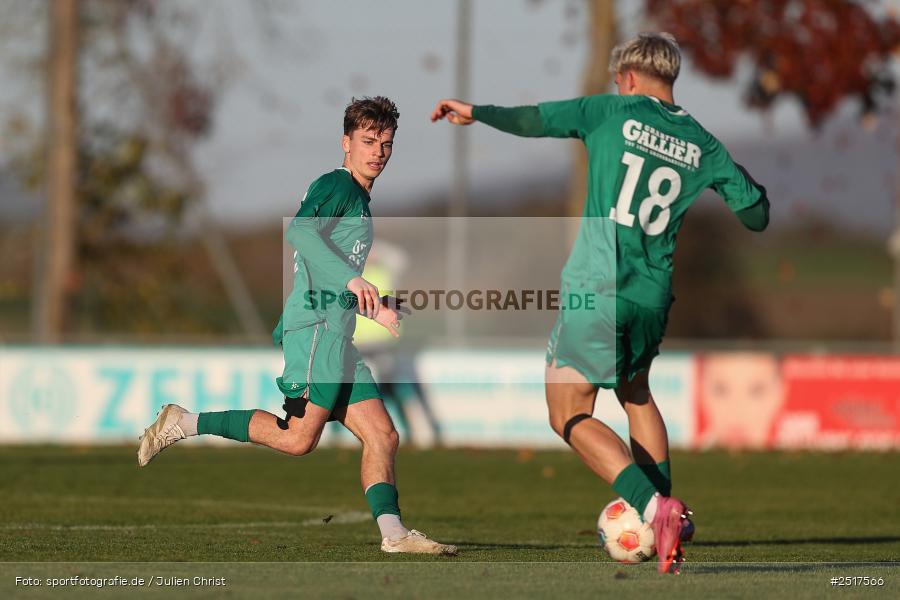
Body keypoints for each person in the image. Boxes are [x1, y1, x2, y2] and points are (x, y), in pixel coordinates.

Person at [431, 32, 769, 573]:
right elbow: (756, 214)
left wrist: (476, 112)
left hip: (599, 286)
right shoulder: (704, 144)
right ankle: (667, 524)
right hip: (651, 295)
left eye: (618, 79)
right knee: (635, 392)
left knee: (567, 412)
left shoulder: (608, 110)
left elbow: (536, 119)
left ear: (629, 77)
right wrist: (741, 182)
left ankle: (656, 509)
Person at [138, 96, 457, 556]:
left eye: (386, 144)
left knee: (383, 435)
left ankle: (395, 535)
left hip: (336, 335)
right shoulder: (338, 185)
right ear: (346, 142)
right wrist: (353, 280)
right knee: (298, 439)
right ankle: (183, 422)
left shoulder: (358, 201)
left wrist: (374, 302)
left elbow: (325, 272)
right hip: (314, 334)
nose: (378, 153)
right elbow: (300, 233)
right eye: (368, 141)